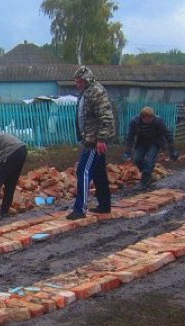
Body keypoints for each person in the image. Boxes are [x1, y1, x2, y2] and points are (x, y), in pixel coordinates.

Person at [67, 65, 115, 220]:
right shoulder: (86, 92)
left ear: (86, 79)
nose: (77, 85)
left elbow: (106, 117)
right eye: (76, 82)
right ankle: (104, 205)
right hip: (89, 138)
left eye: (79, 82)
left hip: (94, 140)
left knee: (84, 171)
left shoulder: (97, 92)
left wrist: (101, 139)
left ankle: (80, 209)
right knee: (99, 172)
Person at [124, 107, 179, 191]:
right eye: (147, 119)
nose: (150, 120)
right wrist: (127, 152)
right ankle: (148, 174)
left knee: (149, 161)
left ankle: (144, 183)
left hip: (155, 142)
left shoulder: (158, 121)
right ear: (142, 117)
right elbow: (130, 137)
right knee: (138, 159)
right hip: (142, 142)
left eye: (151, 118)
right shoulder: (134, 122)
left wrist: (173, 150)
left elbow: (168, 135)